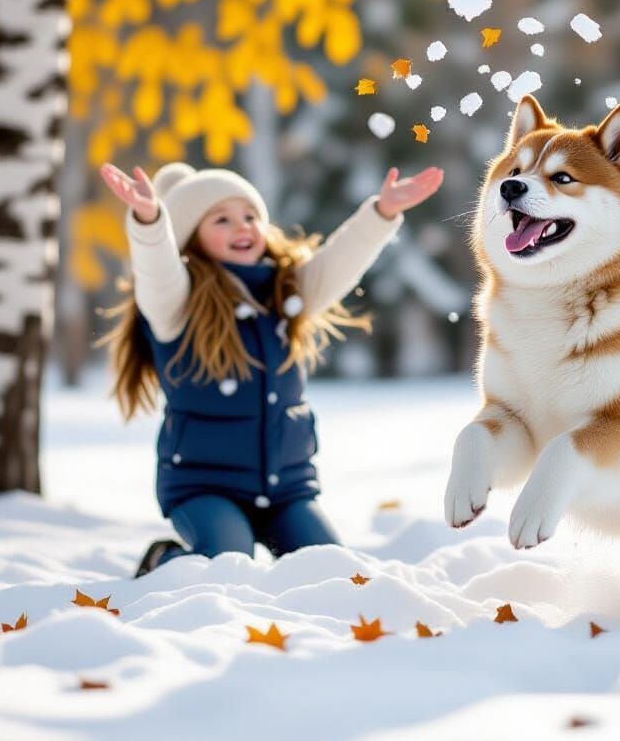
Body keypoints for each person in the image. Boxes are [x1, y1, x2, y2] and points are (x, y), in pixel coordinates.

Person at [98, 160, 443, 576]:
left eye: (249, 216)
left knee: (334, 570)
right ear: (189, 239)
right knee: (227, 562)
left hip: (286, 492)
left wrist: (382, 213)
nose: (241, 227)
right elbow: (157, 272)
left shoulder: (285, 293)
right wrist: (151, 222)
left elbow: (339, 262)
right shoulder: (177, 306)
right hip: (205, 488)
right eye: (221, 220)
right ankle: (163, 561)